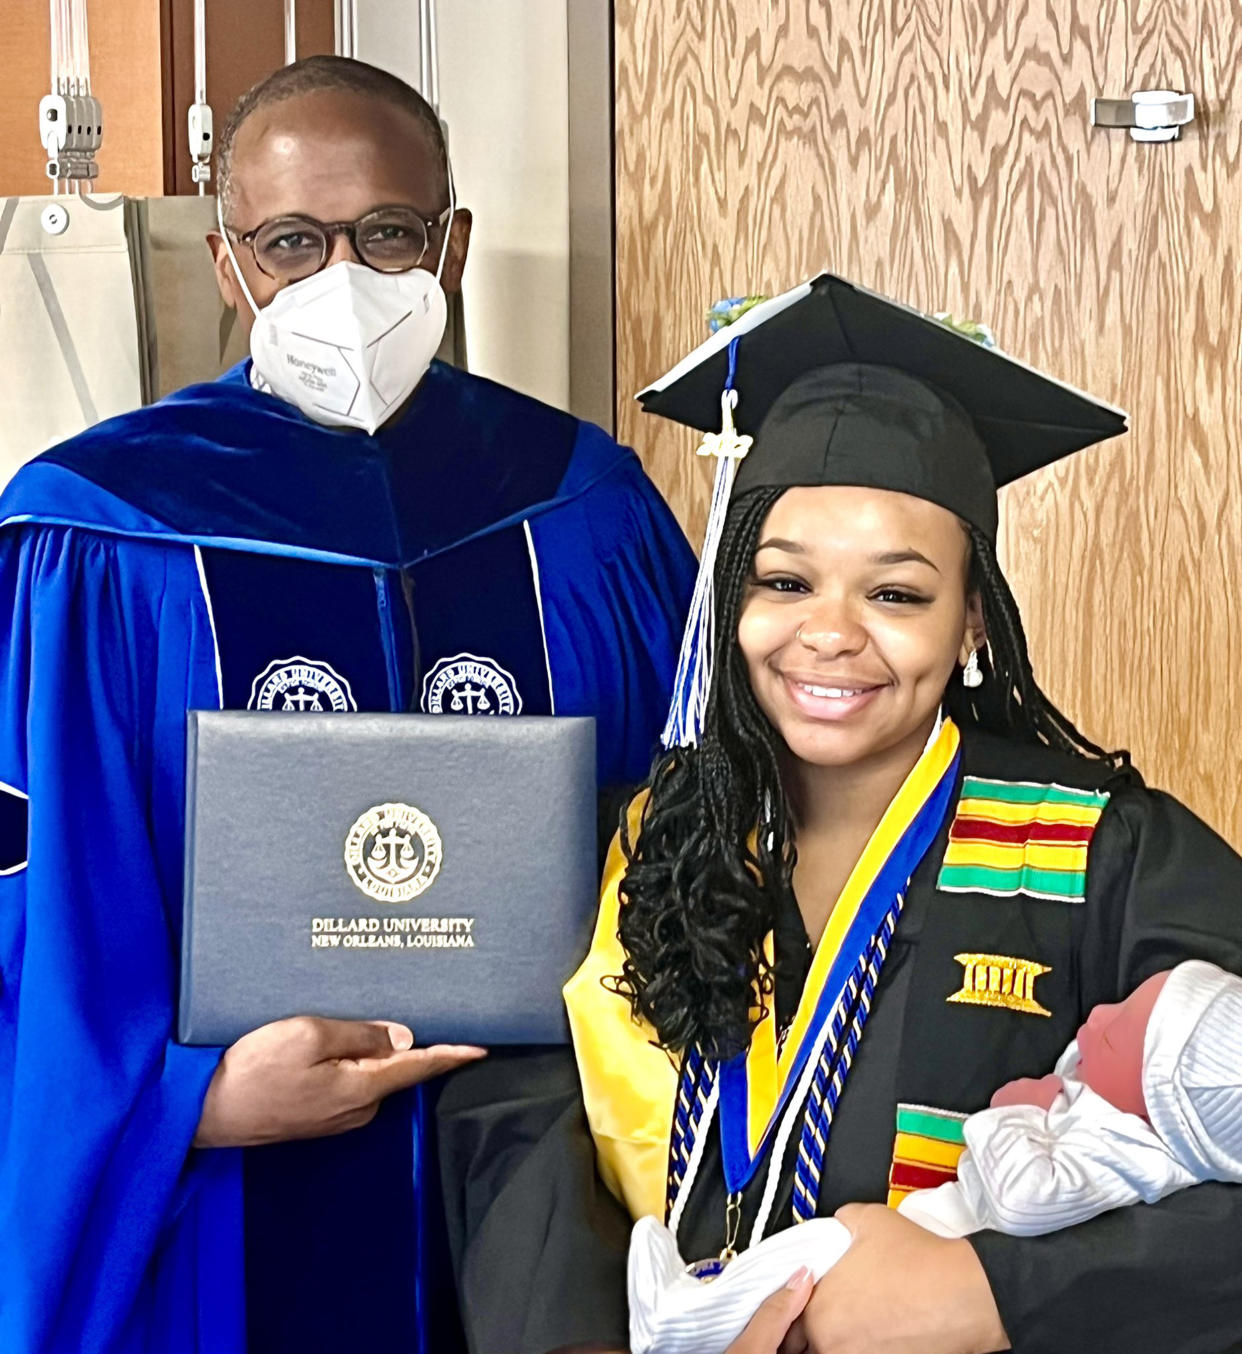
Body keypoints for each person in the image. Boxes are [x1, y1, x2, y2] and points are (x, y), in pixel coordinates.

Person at [0, 55, 694, 1354]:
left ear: (452, 243)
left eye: (386, 234)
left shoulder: (584, 507)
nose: (342, 280)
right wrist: (186, 1101)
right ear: (227, 262)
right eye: (290, 243)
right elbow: (40, 908)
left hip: (552, 1179)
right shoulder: (94, 532)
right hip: (221, 1206)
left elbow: (694, 838)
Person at [439, 274, 1242, 1354]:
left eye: (897, 594)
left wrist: (996, 1293)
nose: (829, 634)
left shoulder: (1107, 851)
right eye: (784, 582)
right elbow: (519, 1117)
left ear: (974, 628)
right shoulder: (637, 842)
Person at [629, 959, 1242, 1354]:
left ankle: (681, 1316)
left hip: (924, 1246)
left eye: (1113, 1031)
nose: (1099, 1014)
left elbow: (1020, 1196)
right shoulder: (1123, 1113)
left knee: (809, 1260)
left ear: (1156, 1097)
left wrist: (1017, 1112)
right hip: (914, 1238)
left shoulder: (1125, 1149)